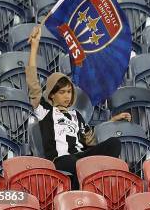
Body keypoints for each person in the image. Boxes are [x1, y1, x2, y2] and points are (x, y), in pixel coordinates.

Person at [26, 25, 130, 189]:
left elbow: (90, 138)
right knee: (72, 162)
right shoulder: (45, 110)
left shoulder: (77, 115)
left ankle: (95, 186)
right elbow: (33, 82)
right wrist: (34, 46)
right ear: (52, 94)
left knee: (114, 143)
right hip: (61, 160)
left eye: (69, 92)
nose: (67, 96)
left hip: (82, 157)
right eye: (62, 92)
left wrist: (112, 121)